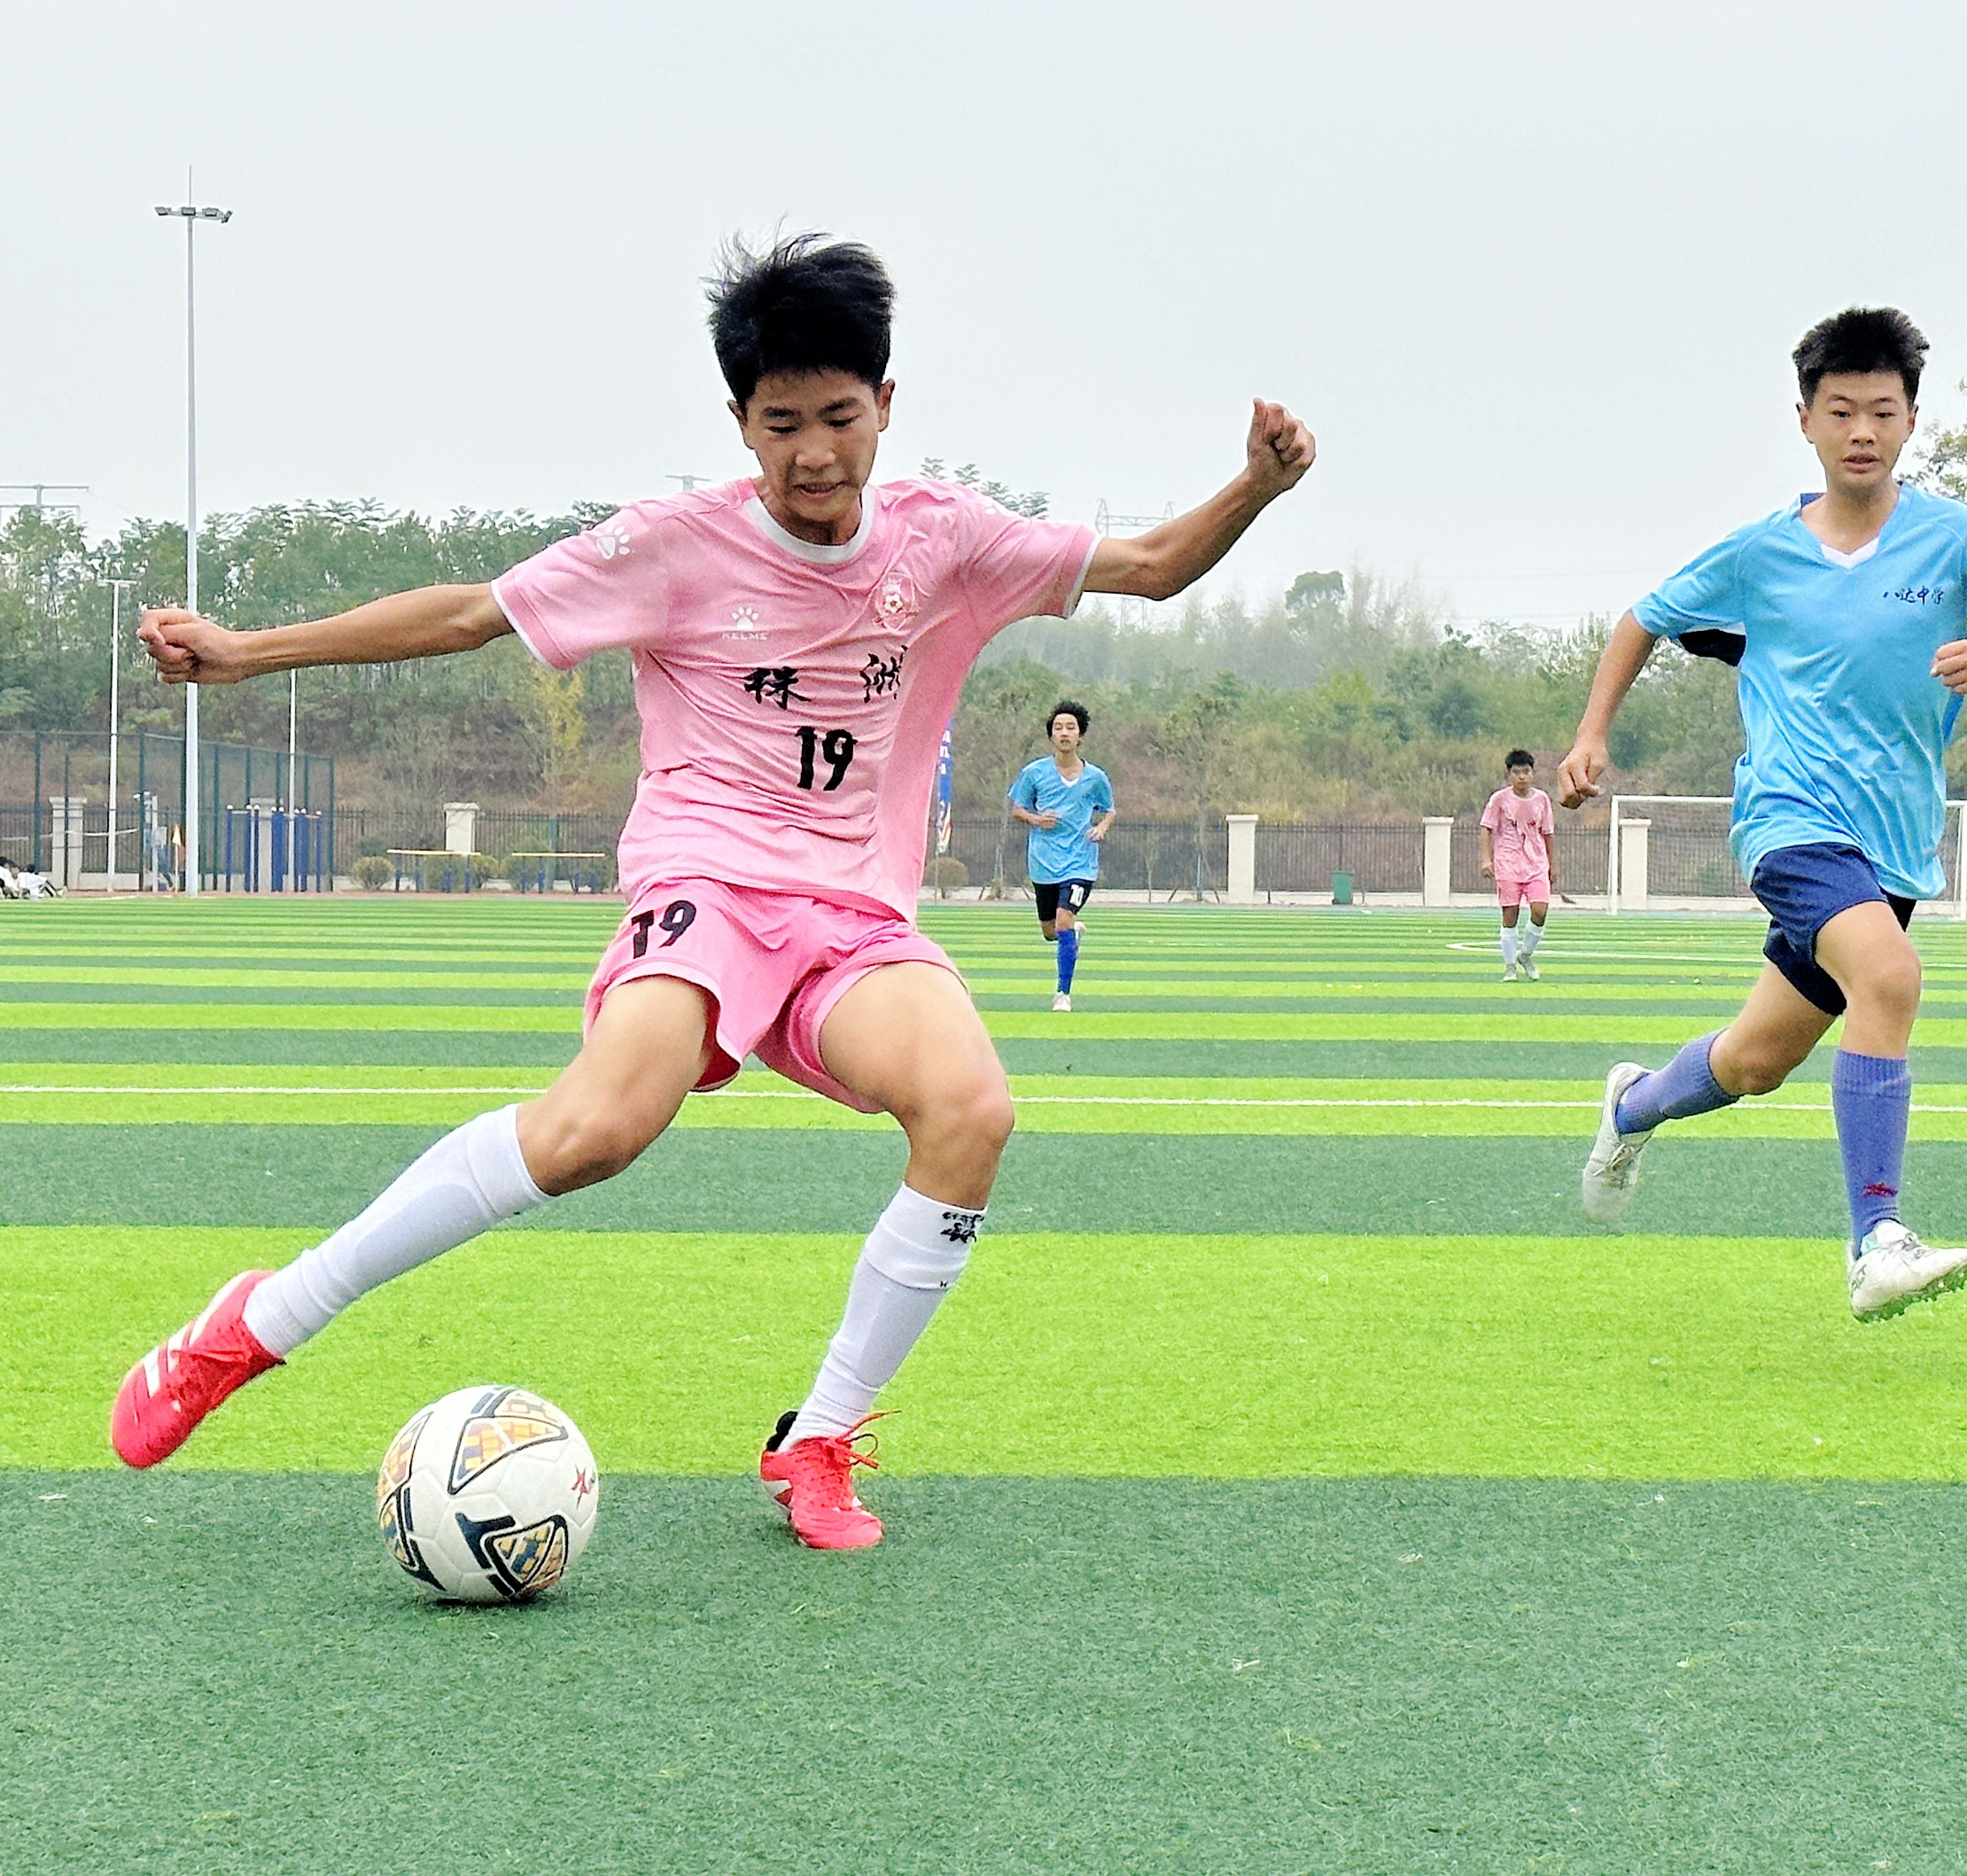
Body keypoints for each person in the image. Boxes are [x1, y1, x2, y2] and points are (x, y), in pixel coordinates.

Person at [109, 232, 1317, 1551]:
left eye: (839, 417)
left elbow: (1150, 564)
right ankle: (257, 1322)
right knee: (595, 1132)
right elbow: (469, 615)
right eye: (781, 424)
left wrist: (1254, 487)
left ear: (886, 405)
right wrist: (244, 653)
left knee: (972, 1110)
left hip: (852, 917)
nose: (814, 454)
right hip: (707, 885)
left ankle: (820, 1437)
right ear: (739, 423)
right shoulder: (673, 547)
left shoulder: (948, 539)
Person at [1560, 307, 1967, 1322]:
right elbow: (1641, 618)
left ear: (1910, 420)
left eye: (1882, 411)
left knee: (1757, 1061)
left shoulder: (1957, 540)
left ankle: (1631, 1103)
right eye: (1840, 410)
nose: (1862, 430)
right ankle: (1876, 1239)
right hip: (1789, 820)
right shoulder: (1760, 553)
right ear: (1804, 420)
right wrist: (1590, 736)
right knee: (1889, 975)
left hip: (1892, 847)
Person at [1007, 701, 1115, 1012]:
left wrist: (1101, 827)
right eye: (1058, 728)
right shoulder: (1034, 773)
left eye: (1070, 727)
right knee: (1050, 931)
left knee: (1064, 919)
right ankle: (1071, 935)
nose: (1064, 733)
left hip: (1080, 863)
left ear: (1081, 735)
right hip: (1043, 862)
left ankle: (1062, 994)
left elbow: (1109, 810)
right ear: (1051, 735)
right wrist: (1036, 819)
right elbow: (1017, 809)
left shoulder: (1095, 777)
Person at [1478, 749, 1555, 981]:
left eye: (1526, 772)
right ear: (1509, 775)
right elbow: (1486, 829)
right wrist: (1486, 859)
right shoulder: (1499, 800)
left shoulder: (1542, 799)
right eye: (1516, 772)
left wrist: (1553, 864)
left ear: (1533, 774)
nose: (1521, 777)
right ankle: (1510, 966)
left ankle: (1526, 954)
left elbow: (1548, 833)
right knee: (1510, 915)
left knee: (1540, 910)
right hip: (1508, 864)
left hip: (1536, 864)